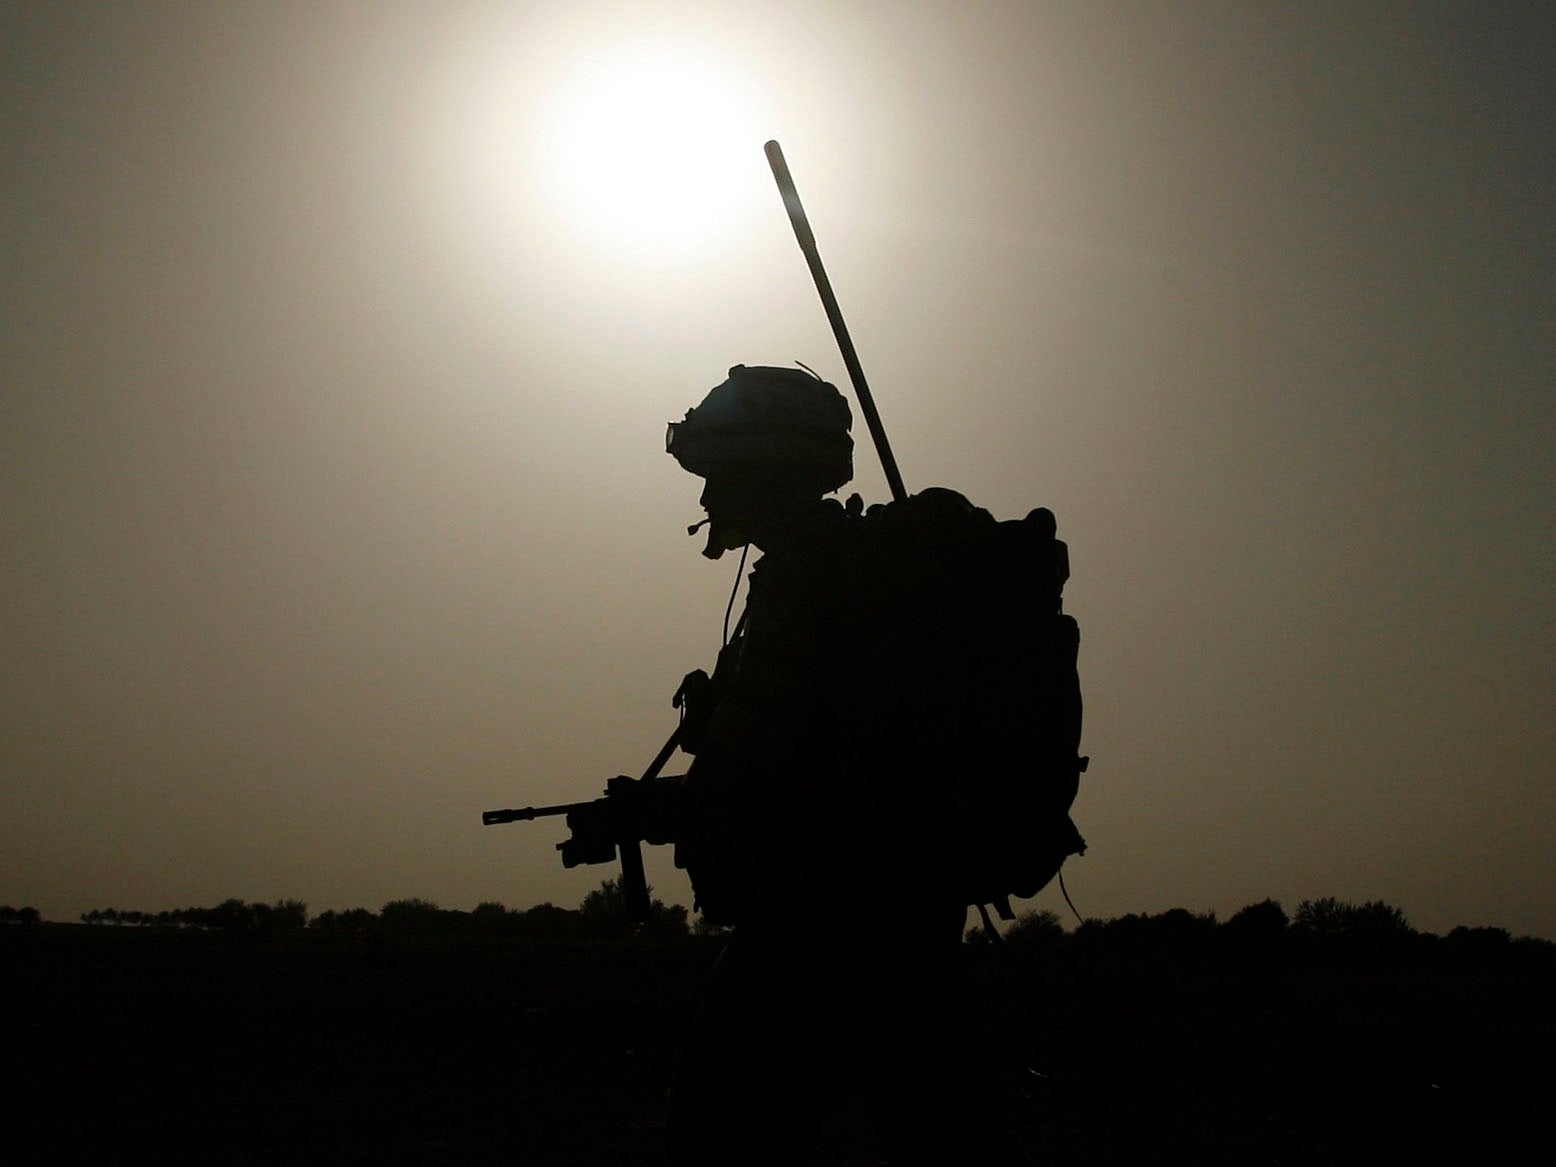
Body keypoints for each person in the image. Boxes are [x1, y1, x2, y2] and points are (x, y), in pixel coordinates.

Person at [660, 364, 1032, 1166]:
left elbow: (765, 760)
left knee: (726, 1119)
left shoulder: (808, 581)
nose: (703, 500)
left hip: (830, 920)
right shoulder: (851, 572)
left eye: (718, 475)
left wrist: (683, 796)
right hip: (902, 912)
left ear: (766, 471)